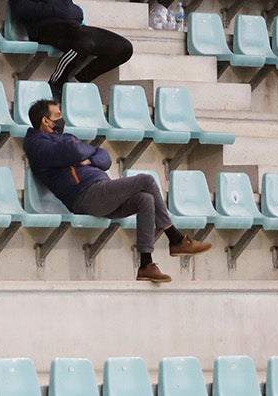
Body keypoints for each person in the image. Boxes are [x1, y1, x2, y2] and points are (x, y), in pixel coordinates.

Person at [24, 98, 210, 283]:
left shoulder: (65, 138)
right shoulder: (36, 144)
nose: (62, 119)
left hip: (101, 194)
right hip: (83, 196)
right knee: (146, 180)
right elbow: (74, 151)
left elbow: (104, 158)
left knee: (145, 199)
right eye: (57, 115)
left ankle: (146, 264)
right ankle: (175, 239)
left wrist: (88, 158)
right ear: (45, 121)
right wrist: (85, 152)